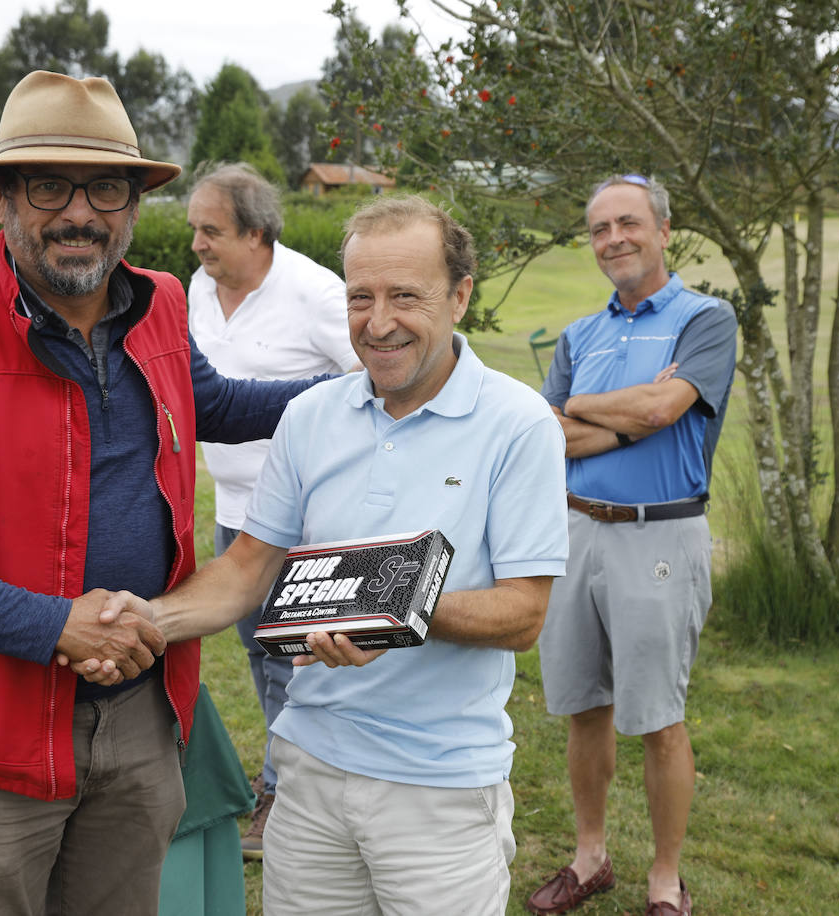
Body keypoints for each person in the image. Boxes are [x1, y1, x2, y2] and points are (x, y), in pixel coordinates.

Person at [0, 70, 323, 915]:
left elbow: (214, 404)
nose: (80, 212)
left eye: (105, 186)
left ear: (133, 204)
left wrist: (353, 391)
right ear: (4, 201)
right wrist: (54, 625)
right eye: (50, 185)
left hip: (138, 709)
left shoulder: (162, 303)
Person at [75, 195, 568, 914]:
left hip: (440, 788)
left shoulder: (518, 424)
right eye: (359, 297)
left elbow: (524, 613)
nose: (378, 322)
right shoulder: (311, 416)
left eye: (406, 296)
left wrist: (388, 610)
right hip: (307, 773)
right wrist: (143, 618)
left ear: (460, 296)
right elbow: (247, 569)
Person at [524, 174, 738, 916]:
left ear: (663, 230)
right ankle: (591, 859)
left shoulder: (704, 320)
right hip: (577, 529)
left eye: (628, 223)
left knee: (658, 715)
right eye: (599, 229)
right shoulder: (580, 335)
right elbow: (551, 433)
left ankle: (665, 881)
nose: (613, 238)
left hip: (661, 534)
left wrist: (588, 407)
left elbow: (663, 406)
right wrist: (624, 415)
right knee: (585, 708)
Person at [186, 161, 361, 858]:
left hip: (303, 517)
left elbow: (370, 369)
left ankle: (290, 799)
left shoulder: (315, 291)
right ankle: (280, 780)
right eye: (194, 229)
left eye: (211, 231)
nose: (197, 244)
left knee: (294, 660)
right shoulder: (199, 288)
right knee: (260, 657)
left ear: (258, 233)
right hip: (235, 508)